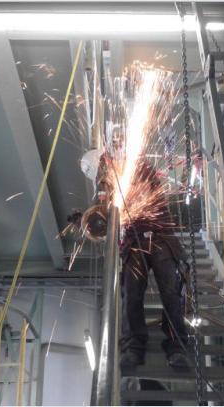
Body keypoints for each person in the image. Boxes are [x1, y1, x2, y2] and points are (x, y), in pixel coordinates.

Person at [78, 149, 190, 370]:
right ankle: (133, 348)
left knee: (171, 293)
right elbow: (107, 218)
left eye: (103, 172)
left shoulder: (137, 167)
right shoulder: (108, 186)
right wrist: (87, 221)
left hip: (160, 237)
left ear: (106, 161)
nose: (103, 178)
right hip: (133, 242)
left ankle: (177, 347)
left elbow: (145, 195)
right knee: (131, 294)